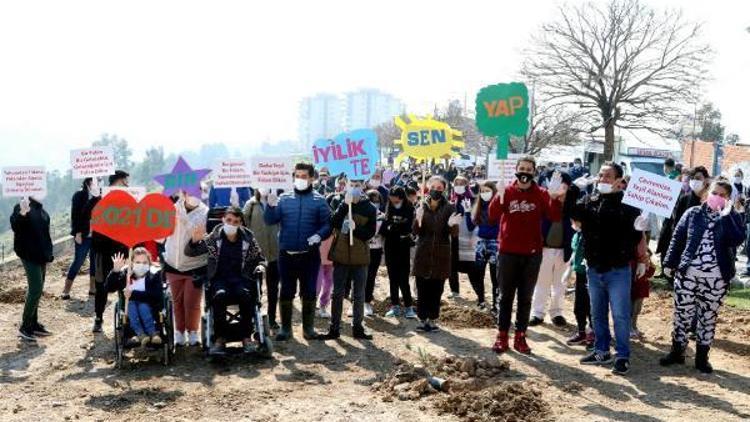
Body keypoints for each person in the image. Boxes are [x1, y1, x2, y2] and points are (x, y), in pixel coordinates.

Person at [660, 180, 745, 373]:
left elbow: (737, 239)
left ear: (728, 199)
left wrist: (726, 216)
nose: (717, 197)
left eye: (722, 195)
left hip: (716, 279)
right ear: (707, 193)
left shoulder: (731, 217)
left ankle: (701, 357)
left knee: (708, 318)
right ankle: (677, 351)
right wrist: (669, 263)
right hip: (688, 275)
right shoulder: (693, 214)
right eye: (715, 192)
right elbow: (678, 237)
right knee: (682, 315)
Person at [571, 162, 644, 376]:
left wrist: (640, 228)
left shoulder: (629, 205)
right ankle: (601, 350)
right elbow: (571, 213)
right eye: (601, 175)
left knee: (621, 315)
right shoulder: (589, 201)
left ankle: (622, 356)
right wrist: (575, 189)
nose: (603, 179)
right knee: (597, 313)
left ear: (620, 181)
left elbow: (633, 238)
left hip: (618, 269)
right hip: (594, 268)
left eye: (608, 176)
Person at [489, 157, 565, 355]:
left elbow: (554, 216)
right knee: (505, 296)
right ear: (515, 170)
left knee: (525, 297)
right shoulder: (508, 190)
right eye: (521, 168)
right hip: (508, 251)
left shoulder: (540, 193)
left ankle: (520, 335)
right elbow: (492, 215)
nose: (525, 172)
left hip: (532, 253)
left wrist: (554, 197)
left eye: (529, 169)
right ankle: (502, 334)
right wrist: (499, 195)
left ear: (534, 172)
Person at [264, 162, 332, 341]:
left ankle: (308, 329)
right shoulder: (284, 198)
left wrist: (319, 235)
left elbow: (327, 224)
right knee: (286, 290)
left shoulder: (319, 200)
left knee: (309, 291)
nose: (300, 179)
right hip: (286, 254)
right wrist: (269, 206)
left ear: (311, 178)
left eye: (304, 176)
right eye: (297, 176)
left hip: (309, 256)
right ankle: (286, 329)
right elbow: (270, 220)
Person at [186, 207, 265, 355]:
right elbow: (190, 252)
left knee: (246, 295)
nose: (231, 224)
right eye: (228, 220)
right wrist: (194, 240)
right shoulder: (213, 238)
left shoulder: (248, 238)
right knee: (219, 296)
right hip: (219, 280)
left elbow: (260, 258)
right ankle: (220, 339)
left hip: (242, 279)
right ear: (223, 220)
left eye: (235, 221)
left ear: (241, 223)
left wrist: (260, 266)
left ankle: (246, 337)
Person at [321, 179, 377, 340]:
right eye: (351, 185)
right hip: (341, 255)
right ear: (346, 185)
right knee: (337, 293)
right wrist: (344, 206)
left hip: (360, 257)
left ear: (363, 187)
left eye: (357, 185)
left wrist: (356, 229)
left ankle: (358, 328)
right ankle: (334, 328)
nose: (354, 188)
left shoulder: (369, 208)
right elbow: (333, 222)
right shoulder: (339, 201)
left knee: (359, 294)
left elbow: (369, 233)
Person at [412, 176, 462, 332]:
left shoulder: (450, 207)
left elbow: (454, 234)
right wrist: (417, 219)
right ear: (428, 187)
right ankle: (422, 318)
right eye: (434, 187)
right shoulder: (421, 205)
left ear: (444, 190)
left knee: (436, 288)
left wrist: (451, 225)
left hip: (441, 253)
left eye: (440, 188)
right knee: (422, 287)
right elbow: (415, 232)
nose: (436, 190)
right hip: (424, 251)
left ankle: (432, 319)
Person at [530, 173, 577, 327]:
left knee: (560, 284)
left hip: (564, 250)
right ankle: (537, 313)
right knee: (542, 282)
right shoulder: (544, 199)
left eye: (563, 184)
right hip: (545, 249)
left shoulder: (573, 203)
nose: (559, 187)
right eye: (555, 182)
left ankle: (556, 312)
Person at [163, 192, 208, 346]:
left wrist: (186, 222)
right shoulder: (172, 209)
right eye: (190, 192)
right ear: (183, 193)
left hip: (195, 265)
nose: (194, 195)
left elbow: (204, 235)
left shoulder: (205, 212)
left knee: (192, 302)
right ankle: (179, 332)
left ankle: (193, 331)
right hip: (172, 263)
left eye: (198, 192)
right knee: (177, 301)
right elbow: (161, 232)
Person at [88, 170, 131, 333]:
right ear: (116, 182)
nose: (127, 184)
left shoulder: (129, 197)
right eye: (124, 181)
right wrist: (94, 197)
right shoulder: (100, 198)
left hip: (122, 248)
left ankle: (124, 317)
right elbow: (87, 214)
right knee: (102, 285)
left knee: (124, 282)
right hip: (103, 249)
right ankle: (98, 318)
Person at [11, 195, 54, 342]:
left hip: (41, 255)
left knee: (38, 289)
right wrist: (23, 212)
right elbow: (15, 226)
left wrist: (49, 254)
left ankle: (34, 324)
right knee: (35, 289)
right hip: (28, 255)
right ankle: (25, 326)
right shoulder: (21, 207)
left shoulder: (41, 210)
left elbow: (45, 235)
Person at [657, 166, 710, 277]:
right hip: (684, 245)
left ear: (706, 180)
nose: (695, 181)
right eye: (693, 178)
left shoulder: (710, 201)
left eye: (698, 178)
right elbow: (677, 225)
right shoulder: (684, 199)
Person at [107, 249, 164, 347]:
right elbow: (109, 288)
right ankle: (140, 334)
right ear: (132, 263)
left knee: (142, 306)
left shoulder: (154, 275)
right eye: (138, 262)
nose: (141, 265)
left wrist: (133, 294)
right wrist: (115, 271)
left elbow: (156, 295)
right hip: (130, 313)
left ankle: (153, 333)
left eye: (144, 262)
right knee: (131, 305)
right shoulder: (126, 273)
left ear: (149, 263)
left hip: (151, 311)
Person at [243, 188, 281, 331]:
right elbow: (243, 226)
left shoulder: (278, 203)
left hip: (275, 253)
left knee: (273, 288)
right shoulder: (251, 204)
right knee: (254, 288)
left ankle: (271, 318)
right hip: (256, 255)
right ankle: (255, 318)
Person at [381, 186, 416, 318]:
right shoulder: (388, 206)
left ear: (400, 197)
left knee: (403, 278)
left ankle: (408, 306)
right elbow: (386, 226)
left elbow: (406, 227)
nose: (391, 198)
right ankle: (394, 305)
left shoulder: (409, 207)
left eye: (394, 196)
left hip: (403, 246)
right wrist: (393, 227)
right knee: (392, 277)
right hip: (390, 246)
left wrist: (393, 227)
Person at [466, 181, 499, 312]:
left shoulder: (498, 207)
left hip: (495, 244)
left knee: (494, 277)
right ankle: (481, 300)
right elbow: (470, 227)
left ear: (493, 192)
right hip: (481, 244)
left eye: (487, 191)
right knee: (478, 274)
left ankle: (496, 305)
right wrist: (468, 212)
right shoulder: (479, 207)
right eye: (482, 191)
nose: (485, 194)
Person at [62, 177, 96, 299]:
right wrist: (77, 233)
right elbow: (75, 215)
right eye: (95, 181)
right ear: (88, 183)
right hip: (84, 235)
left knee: (95, 262)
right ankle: (66, 290)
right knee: (78, 261)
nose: (98, 183)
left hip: (97, 235)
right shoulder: (79, 195)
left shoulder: (101, 195)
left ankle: (92, 288)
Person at [447, 176, 475, 298]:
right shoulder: (452, 200)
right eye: (456, 183)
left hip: (468, 236)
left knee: (471, 266)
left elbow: (475, 220)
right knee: (452, 264)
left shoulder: (472, 200)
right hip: (454, 235)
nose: (458, 186)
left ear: (467, 185)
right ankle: (455, 291)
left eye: (461, 183)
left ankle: (479, 293)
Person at [565, 222, 593, 348]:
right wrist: (569, 269)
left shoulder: (592, 232)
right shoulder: (577, 234)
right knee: (579, 304)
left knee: (592, 305)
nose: (573, 223)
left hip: (593, 272)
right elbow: (575, 251)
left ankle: (593, 333)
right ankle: (581, 331)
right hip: (580, 272)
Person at [364, 189, 385, 317]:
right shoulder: (362, 214)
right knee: (360, 276)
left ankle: (367, 301)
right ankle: (357, 302)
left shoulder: (382, 216)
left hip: (376, 249)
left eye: (377, 201)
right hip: (362, 249)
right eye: (372, 200)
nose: (374, 203)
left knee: (371, 276)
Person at [631, 247, 655, 339]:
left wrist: (651, 265)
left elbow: (649, 274)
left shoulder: (646, 265)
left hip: (641, 292)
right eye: (646, 257)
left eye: (648, 258)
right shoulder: (635, 265)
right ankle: (630, 328)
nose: (647, 259)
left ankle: (634, 327)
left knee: (637, 310)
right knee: (632, 310)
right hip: (634, 291)